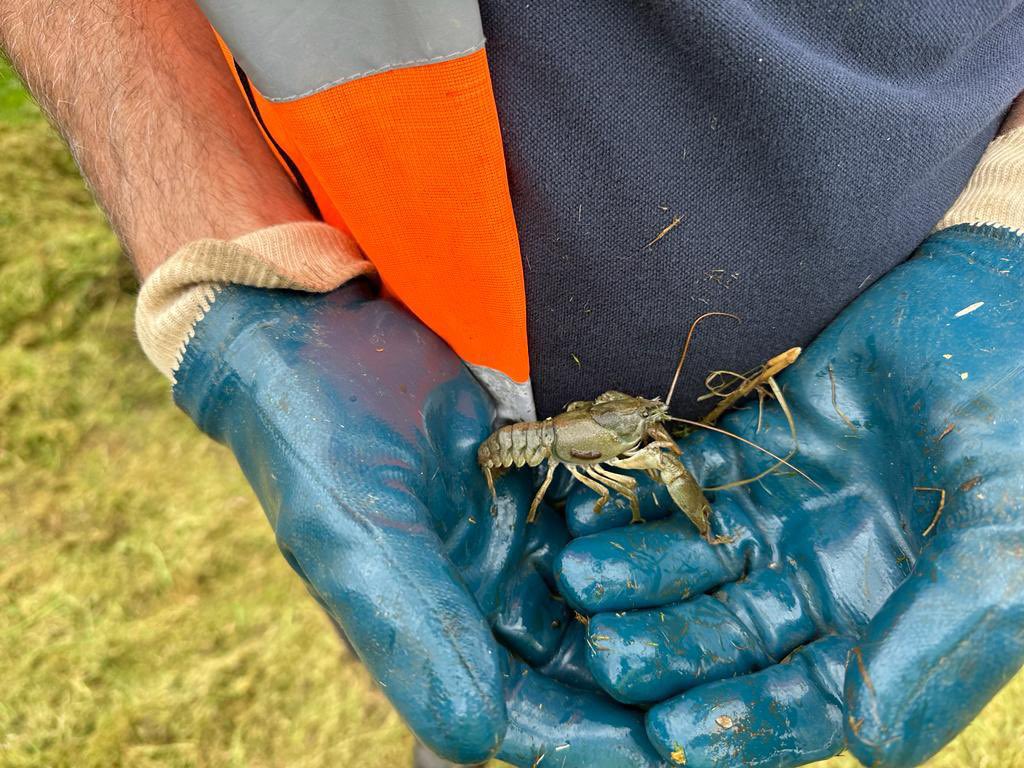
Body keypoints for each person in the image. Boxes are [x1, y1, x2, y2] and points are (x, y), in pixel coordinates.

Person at [2, 2, 1022, 767]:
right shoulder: (605, 464)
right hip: (461, 469)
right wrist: (226, 252)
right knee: (465, 679)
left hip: (831, 414)